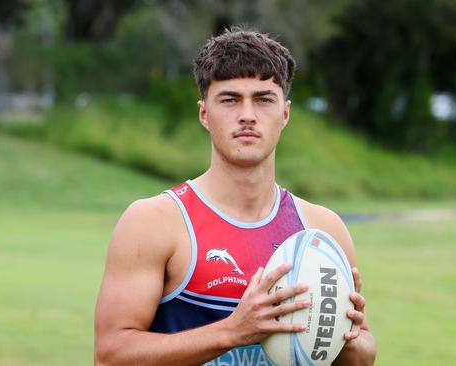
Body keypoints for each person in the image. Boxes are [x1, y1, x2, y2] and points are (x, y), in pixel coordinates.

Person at [94, 28, 376, 366]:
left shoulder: (321, 230)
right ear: (204, 114)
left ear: (284, 114)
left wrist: (344, 337)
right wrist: (233, 331)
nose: (247, 115)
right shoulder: (155, 222)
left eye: (263, 99)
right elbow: (110, 356)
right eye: (229, 99)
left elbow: (361, 357)